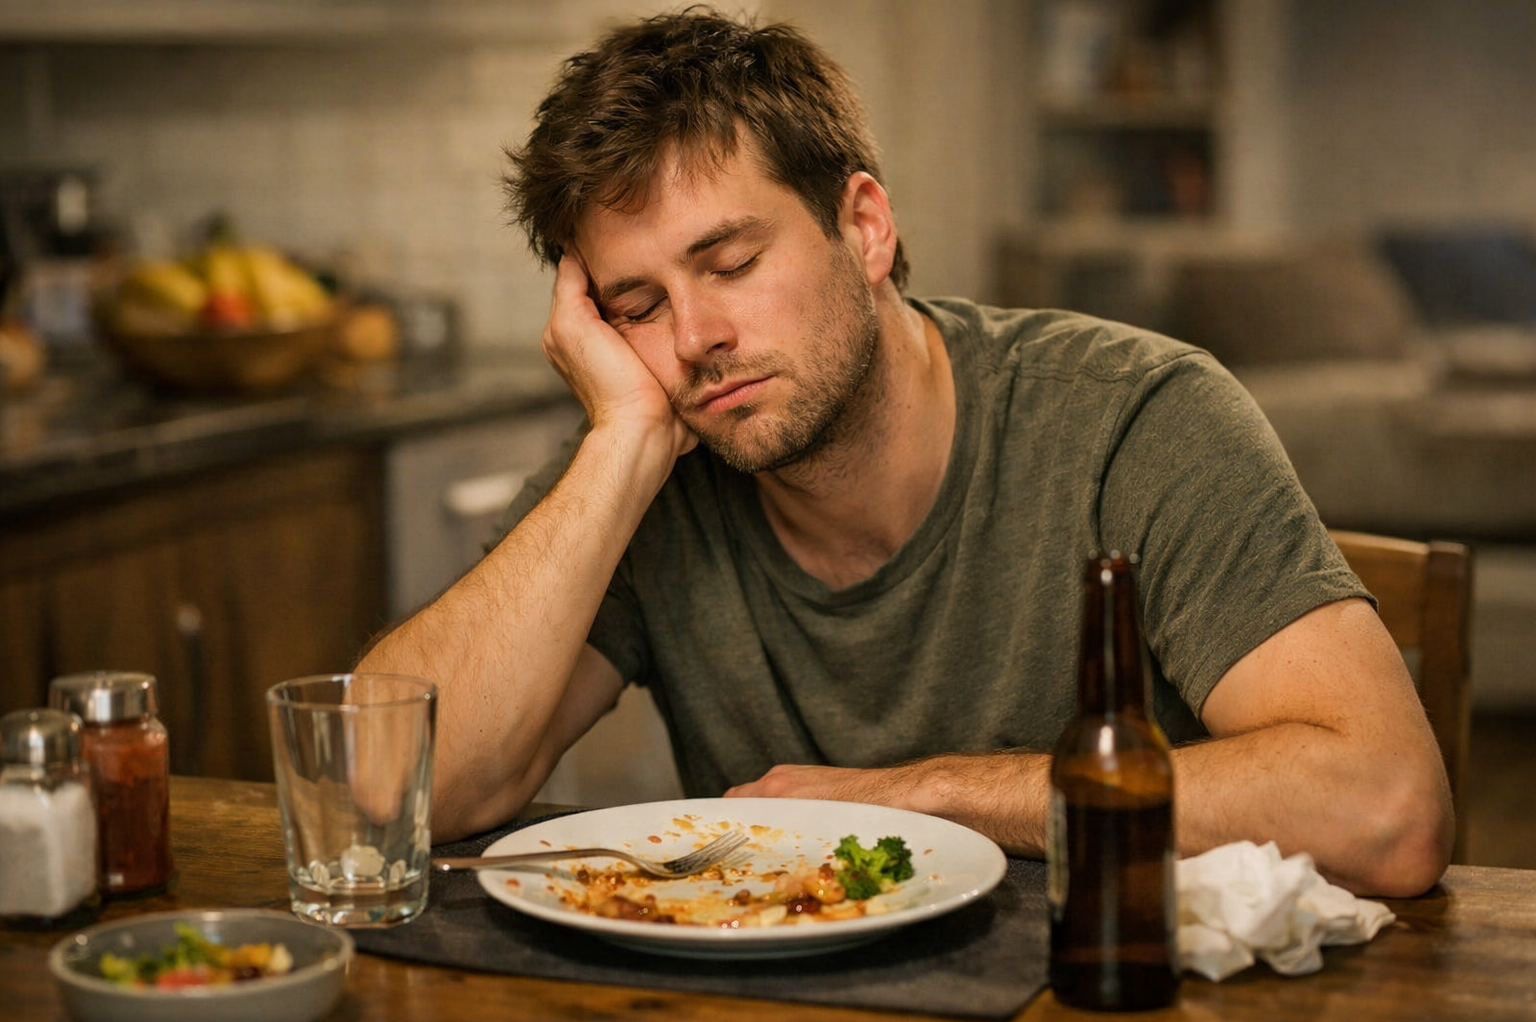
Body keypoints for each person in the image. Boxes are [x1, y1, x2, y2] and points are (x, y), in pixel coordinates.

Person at [357, 7, 1451, 896]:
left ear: (865, 227)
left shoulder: (1140, 419)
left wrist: (927, 792)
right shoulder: (655, 465)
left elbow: (1386, 808)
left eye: (731, 261)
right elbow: (384, 789)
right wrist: (620, 448)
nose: (693, 341)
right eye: (638, 303)